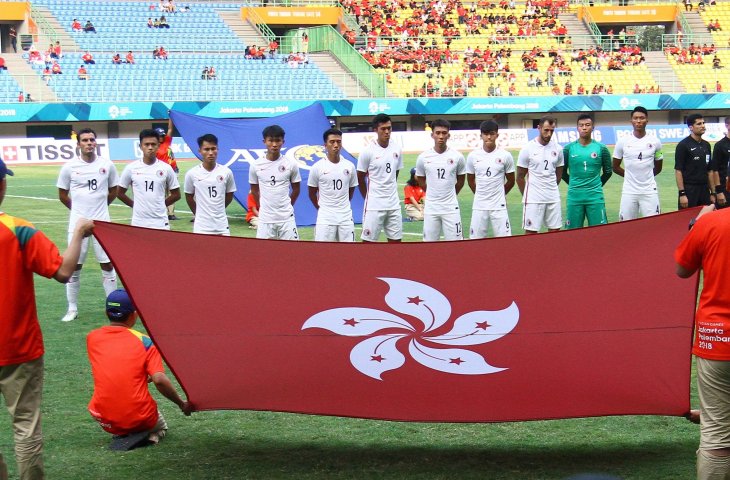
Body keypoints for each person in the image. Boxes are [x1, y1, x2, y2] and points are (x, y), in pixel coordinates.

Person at [1, 158, 95, 480]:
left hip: (17, 349)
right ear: (2, 185)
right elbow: (63, 271)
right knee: (26, 425)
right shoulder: (18, 230)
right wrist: (79, 232)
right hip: (19, 348)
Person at [87, 289, 193, 449]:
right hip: (140, 416)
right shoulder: (145, 342)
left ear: (106, 312)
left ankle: (124, 431)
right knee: (162, 425)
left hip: (103, 417)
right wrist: (181, 404)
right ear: (135, 314)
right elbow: (159, 380)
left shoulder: (92, 338)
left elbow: (115, 365)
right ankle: (151, 435)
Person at [675, 204, 730, 480]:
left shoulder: (711, 223)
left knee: (717, 439)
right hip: (717, 341)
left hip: (718, 340)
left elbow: (682, 268)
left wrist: (698, 224)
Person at [56, 128, 119, 322]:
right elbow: (62, 195)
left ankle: (112, 306)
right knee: (74, 266)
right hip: (78, 225)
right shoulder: (69, 167)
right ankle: (72, 308)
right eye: (85, 140)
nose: (89, 143)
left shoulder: (107, 165)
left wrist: (99, 209)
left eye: (92, 140)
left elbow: (114, 190)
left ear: (96, 142)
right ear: (79, 144)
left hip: (102, 223)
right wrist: (79, 213)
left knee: (107, 264)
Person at [117, 129, 180, 229]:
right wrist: (135, 205)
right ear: (140, 147)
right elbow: (119, 193)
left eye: (153, 144)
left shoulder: (166, 168)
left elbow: (176, 194)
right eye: (146, 144)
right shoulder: (131, 168)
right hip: (139, 221)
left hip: (160, 222)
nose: (150, 148)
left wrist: (161, 205)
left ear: (158, 146)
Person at [414, 118, 466, 241]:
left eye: (444, 133)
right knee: (430, 246)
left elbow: (461, 180)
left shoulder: (457, 157)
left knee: (456, 244)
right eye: (438, 133)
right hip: (431, 207)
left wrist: (451, 194)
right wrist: (432, 192)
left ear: (449, 135)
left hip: (451, 207)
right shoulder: (423, 157)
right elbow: (420, 179)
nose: (441, 136)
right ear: (432, 135)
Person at [357, 113, 403, 242]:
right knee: (368, 243)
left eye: (389, 128)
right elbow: (360, 178)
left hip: (393, 203)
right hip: (374, 204)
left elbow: (395, 173)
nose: (387, 132)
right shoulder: (367, 151)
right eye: (383, 129)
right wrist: (368, 197)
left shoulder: (397, 148)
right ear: (375, 130)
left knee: (396, 242)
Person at [249, 125, 301, 240]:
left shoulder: (290, 164)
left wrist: (288, 205)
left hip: (286, 218)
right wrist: (262, 206)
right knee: (263, 253)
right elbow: (254, 190)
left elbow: (296, 189)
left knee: (292, 252)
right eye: (270, 140)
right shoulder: (256, 165)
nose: (274, 144)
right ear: (264, 141)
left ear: (283, 141)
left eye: (278, 140)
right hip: (265, 218)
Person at [612, 106, 664, 220]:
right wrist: (631, 177)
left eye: (642, 118)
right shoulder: (622, 142)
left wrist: (646, 177)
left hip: (649, 190)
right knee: (626, 226)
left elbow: (659, 167)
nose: (639, 121)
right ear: (631, 121)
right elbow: (615, 167)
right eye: (635, 118)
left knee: (653, 224)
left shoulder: (656, 142)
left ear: (647, 120)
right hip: (629, 191)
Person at [466, 119, 515, 238]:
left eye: (492, 134)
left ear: (497, 135)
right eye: (485, 134)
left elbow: (511, 180)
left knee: (504, 241)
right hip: (479, 205)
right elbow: (470, 180)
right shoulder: (473, 156)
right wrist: (480, 194)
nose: (489, 137)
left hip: (499, 205)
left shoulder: (505, 156)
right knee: (476, 241)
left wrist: (500, 195)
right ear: (481, 135)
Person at [561, 114, 612, 229]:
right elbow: (562, 172)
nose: (584, 128)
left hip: (595, 196)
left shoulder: (601, 148)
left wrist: (596, 185)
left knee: (599, 232)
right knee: (572, 234)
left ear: (593, 127)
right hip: (574, 197)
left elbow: (608, 171)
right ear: (577, 128)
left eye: (587, 125)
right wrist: (575, 184)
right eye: (581, 125)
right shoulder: (568, 149)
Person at [308, 128, 358, 242]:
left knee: (348, 252)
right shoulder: (317, 167)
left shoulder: (349, 166)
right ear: (325, 145)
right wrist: (322, 208)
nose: (336, 145)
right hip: (325, 217)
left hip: (345, 216)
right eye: (332, 142)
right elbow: (311, 193)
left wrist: (342, 205)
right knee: (323, 253)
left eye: (338, 141)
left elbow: (351, 190)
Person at [516, 115, 564, 234]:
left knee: (555, 232)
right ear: (539, 128)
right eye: (546, 130)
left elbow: (558, 176)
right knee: (531, 234)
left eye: (552, 130)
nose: (549, 134)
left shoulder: (558, 149)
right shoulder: (527, 148)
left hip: (553, 197)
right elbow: (520, 177)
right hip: (533, 198)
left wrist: (549, 188)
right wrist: (527, 195)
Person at [184, 134, 236, 235]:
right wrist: (198, 214)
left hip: (222, 225)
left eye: (213, 149)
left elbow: (229, 195)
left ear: (218, 149)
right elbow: (189, 197)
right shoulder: (192, 173)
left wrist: (219, 209)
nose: (211, 153)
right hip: (201, 226)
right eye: (206, 149)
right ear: (200, 151)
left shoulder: (226, 172)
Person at [675, 113, 724, 209]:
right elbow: (678, 171)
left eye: (703, 123)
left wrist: (713, 192)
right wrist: (682, 194)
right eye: (699, 124)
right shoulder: (683, 145)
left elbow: (709, 171)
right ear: (691, 127)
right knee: (687, 221)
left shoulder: (706, 145)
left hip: (705, 190)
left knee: (705, 220)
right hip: (690, 190)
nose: (703, 126)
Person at [155, 115, 180, 220]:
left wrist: (171, 117)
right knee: (162, 193)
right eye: (160, 135)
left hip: (173, 170)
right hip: (162, 172)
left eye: (162, 135)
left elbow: (170, 129)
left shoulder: (167, 141)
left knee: (172, 193)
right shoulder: (154, 147)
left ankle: (171, 214)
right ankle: (162, 212)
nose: (162, 137)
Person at [713, 117, 730, 203]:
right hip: (726, 189)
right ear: (727, 126)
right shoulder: (720, 145)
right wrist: (719, 191)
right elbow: (715, 170)